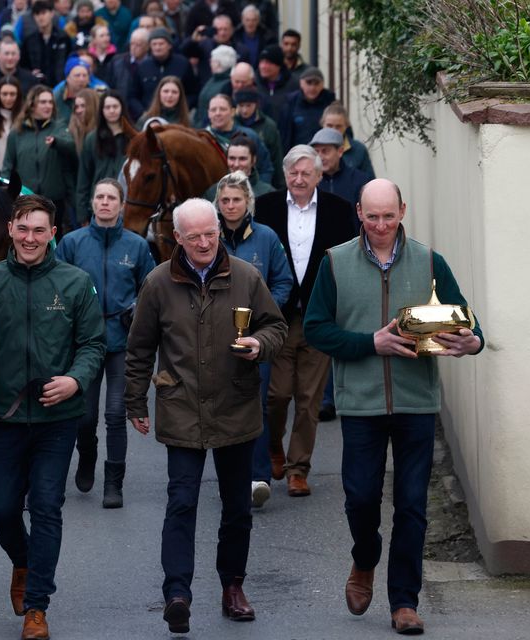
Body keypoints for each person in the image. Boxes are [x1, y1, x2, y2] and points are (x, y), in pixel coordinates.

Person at [303, 178, 484, 636]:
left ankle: (404, 601)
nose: (381, 225)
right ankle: (364, 558)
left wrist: (471, 341)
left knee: (412, 505)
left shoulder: (429, 261)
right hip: (361, 404)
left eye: (389, 215)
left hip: (416, 402)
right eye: (373, 216)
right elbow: (316, 330)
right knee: (361, 498)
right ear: (359, 214)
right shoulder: (335, 262)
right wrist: (372, 343)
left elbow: (463, 317)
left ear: (403, 210)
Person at [125, 198, 287, 634]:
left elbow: (276, 327)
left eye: (210, 233)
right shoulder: (158, 283)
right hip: (181, 408)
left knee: (237, 507)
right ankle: (177, 593)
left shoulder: (247, 277)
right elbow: (139, 348)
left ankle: (233, 587)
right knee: (182, 502)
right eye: (193, 236)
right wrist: (135, 402)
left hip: (235, 405)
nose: (203, 242)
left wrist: (259, 344)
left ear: (219, 229)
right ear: (177, 237)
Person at [0, 194, 105, 640]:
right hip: (5, 416)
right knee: (2, 509)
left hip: (57, 418)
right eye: (23, 229)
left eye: (39, 230)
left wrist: (75, 380)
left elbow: (93, 345)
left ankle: (37, 607)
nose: (30, 238)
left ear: (53, 234)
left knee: (47, 506)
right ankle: (22, 562)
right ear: (10, 230)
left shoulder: (76, 282)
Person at [254, 145, 356, 497]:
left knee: (309, 397)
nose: (299, 179)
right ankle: (273, 446)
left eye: (305, 173)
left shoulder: (340, 212)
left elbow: (348, 263)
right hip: (277, 318)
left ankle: (299, 469)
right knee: (277, 395)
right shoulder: (264, 208)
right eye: (293, 173)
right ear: (285, 175)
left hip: (320, 316)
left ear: (318, 176)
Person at [56, 179, 154, 507]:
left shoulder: (137, 245)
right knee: (84, 417)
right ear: (93, 203)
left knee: (115, 413)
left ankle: (115, 483)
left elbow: (150, 288)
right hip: (83, 340)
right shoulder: (71, 243)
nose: (105, 202)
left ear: (122, 204)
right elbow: (55, 284)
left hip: (122, 339)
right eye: (99, 196)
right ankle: (87, 455)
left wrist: (137, 309)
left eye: (112, 198)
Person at [214, 171, 292, 508]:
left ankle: (257, 477)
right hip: (215, 335)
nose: (231, 206)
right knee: (220, 404)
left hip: (257, 335)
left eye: (237, 200)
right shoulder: (208, 236)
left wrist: (264, 314)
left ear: (249, 202)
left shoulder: (267, 238)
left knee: (257, 403)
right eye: (225, 200)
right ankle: (230, 478)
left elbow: (284, 281)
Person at [2, 85, 76, 236]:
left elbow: (71, 146)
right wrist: (6, 193)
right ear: (32, 104)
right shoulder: (17, 132)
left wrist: (56, 142)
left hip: (54, 200)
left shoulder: (59, 127)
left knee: (52, 240)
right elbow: (8, 165)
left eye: (50, 102)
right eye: (43, 102)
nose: (48, 105)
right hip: (25, 200)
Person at [76, 89, 133, 224]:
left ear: (122, 108)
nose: (112, 110)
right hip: (98, 205)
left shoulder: (132, 137)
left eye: (115, 106)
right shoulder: (92, 139)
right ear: (102, 110)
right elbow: (84, 178)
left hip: (127, 206)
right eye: (107, 107)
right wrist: (82, 215)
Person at [205, 93, 274, 186]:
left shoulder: (249, 135)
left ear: (233, 111)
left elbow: (265, 169)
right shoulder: (202, 138)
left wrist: (259, 192)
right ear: (208, 113)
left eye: (223, 109)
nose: (218, 113)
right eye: (213, 110)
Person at [132, 29, 197, 118]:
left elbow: (193, 93)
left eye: (161, 44)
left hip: (177, 116)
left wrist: (183, 109)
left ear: (169, 45)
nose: (157, 47)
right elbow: (133, 95)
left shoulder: (183, 64)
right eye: (154, 44)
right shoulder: (143, 66)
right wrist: (143, 112)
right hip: (149, 116)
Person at [310, 127, 372, 214]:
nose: (320, 157)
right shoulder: (309, 182)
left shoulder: (360, 181)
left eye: (325, 151)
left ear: (340, 151)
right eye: (316, 152)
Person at [233, 88, 285, 190]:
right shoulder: (232, 124)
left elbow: (276, 157)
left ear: (256, 105)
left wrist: (280, 185)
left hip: (261, 178)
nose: (244, 110)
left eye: (248, 105)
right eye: (241, 105)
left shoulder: (268, 126)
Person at [281, 66, 336, 151]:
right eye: (309, 83)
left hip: (324, 153)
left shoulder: (330, 102)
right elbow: (284, 135)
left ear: (322, 84)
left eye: (316, 83)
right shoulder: (291, 103)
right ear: (301, 83)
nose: (312, 88)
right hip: (298, 153)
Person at [102, 27, 149, 121]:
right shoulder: (116, 61)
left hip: (144, 114)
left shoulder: (151, 64)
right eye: (132, 44)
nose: (134, 47)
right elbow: (109, 87)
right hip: (119, 112)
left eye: (138, 45)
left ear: (147, 46)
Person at [20, 1, 72, 87]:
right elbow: (23, 65)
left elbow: (69, 61)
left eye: (43, 13)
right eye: (37, 14)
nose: (40, 17)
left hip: (60, 86)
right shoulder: (29, 40)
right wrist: (30, 74)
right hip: (36, 86)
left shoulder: (63, 38)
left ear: (52, 13)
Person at [320, 101, 376, 177]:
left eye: (338, 126)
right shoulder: (312, 150)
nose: (333, 130)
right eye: (329, 126)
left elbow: (370, 182)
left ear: (346, 126)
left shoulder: (359, 150)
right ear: (322, 124)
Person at [193, 44, 237, 128]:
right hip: (201, 125)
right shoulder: (213, 79)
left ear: (219, 63)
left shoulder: (227, 84)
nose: (210, 63)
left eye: (212, 60)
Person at [254, 44, 294, 124]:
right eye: (261, 62)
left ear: (278, 65)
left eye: (268, 63)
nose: (263, 66)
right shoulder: (253, 83)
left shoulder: (293, 84)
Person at [67, 87, 99, 154]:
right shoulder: (72, 130)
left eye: (83, 106)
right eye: (77, 107)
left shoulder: (102, 131)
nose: (79, 111)